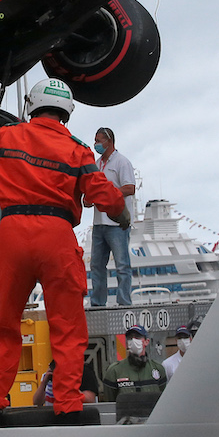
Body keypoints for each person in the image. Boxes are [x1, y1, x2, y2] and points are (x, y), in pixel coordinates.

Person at [0, 78, 127, 426]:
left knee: (4, 326)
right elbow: (103, 193)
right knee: (68, 329)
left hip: (13, 234)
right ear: (67, 112)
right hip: (56, 235)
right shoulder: (77, 148)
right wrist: (121, 210)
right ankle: (68, 406)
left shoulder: (7, 137)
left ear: (31, 105)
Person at [87, 127, 137, 307]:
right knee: (97, 266)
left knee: (122, 265)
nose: (96, 144)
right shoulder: (97, 163)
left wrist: (108, 192)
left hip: (116, 223)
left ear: (109, 141)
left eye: (99, 140)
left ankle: (124, 301)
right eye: (95, 140)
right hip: (99, 222)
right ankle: (98, 302)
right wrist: (90, 197)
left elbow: (130, 187)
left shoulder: (122, 162)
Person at [102, 325, 166, 401]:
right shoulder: (115, 371)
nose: (133, 340)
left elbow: (163, 399)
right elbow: (110, 403)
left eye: (137, 337)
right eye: (130, 338)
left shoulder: (158, 369)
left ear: (146, 341)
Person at [32, 359, 101, 407]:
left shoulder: (85, 372)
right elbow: (37, 402)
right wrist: (44, 382)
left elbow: (90, 400)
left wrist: (68, 383)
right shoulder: (49, 376)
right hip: (54, 417)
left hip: (78, 417)